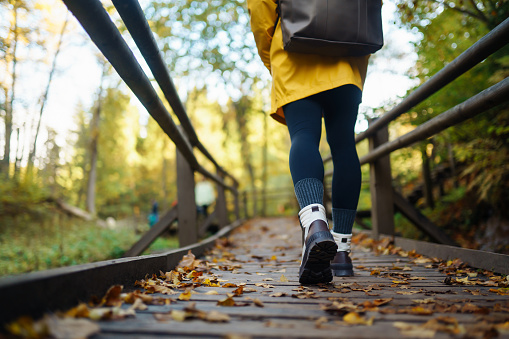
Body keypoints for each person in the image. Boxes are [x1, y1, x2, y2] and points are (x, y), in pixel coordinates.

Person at [247, 0, 369, 284]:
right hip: (347, 57)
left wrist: (271, 59)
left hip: (294, 52)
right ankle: (342, 251)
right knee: (344, 147)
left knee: (303, 136)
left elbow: (261, 12)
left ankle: (315, 223)